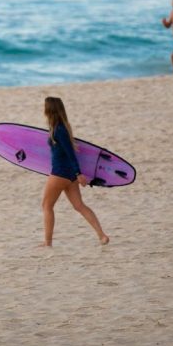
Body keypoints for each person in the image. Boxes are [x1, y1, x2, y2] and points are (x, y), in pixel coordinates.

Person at [39, 96, 109, 248]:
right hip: (69, 175)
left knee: (46, 205)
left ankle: (47, 243)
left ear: (49, 110)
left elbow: (71, 153)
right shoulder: (60, 127)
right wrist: (75, 174)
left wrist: (79, 173)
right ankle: (102, 236)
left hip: (60, 173)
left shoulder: (59, 130)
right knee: (79, 206)